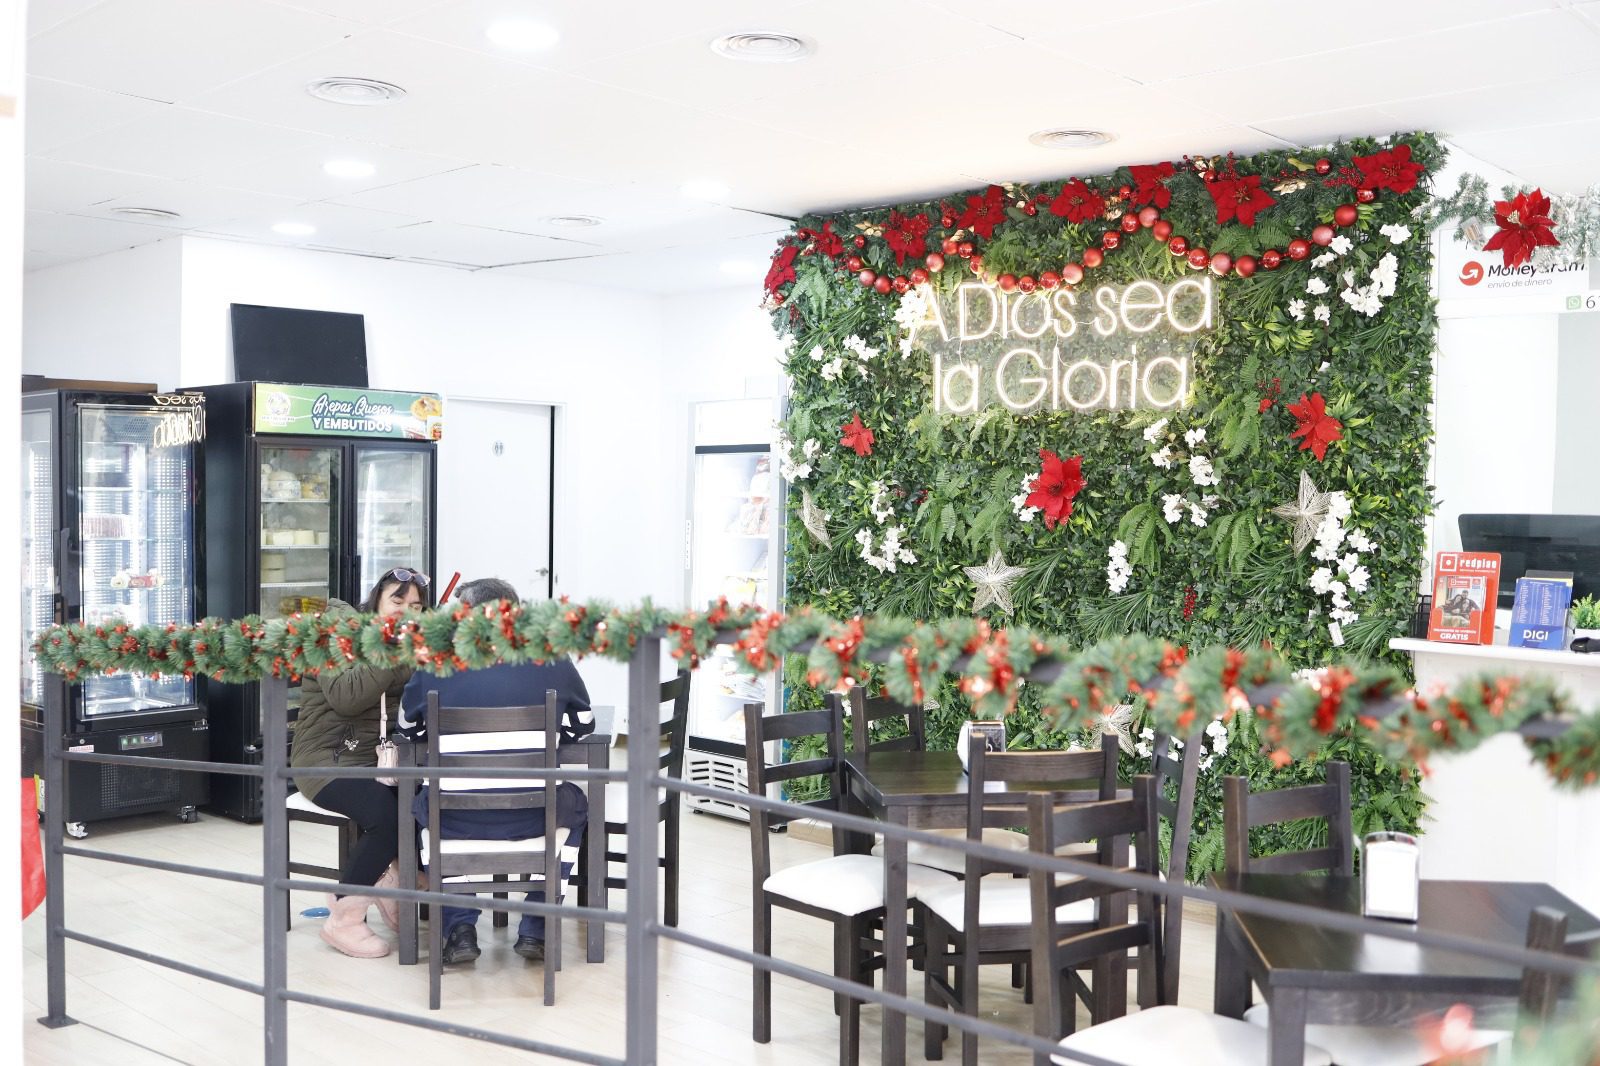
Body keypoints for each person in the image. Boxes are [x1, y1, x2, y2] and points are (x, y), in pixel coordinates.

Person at [399, 577, 595, 966]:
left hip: (454, 816)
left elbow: (409, 730)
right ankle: (537, 925)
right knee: (576, 806)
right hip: (535, 815)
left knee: (427, 808)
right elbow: (583, 726)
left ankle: (459, 928)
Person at [290, 567, 432, 959]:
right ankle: (344, 916)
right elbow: (347, 697)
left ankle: (395, 882)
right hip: (326, 760)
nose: (405, 611)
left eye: (415, 606)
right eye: (397, 600)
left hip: (381, 760)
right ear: (376, 601)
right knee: (388, 816)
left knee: (427, 801)